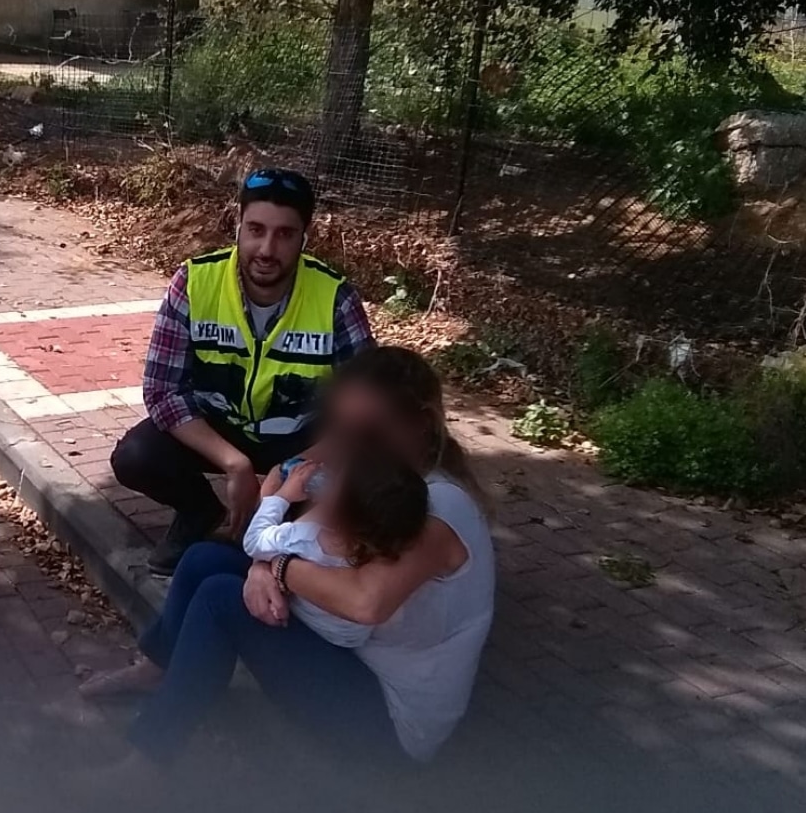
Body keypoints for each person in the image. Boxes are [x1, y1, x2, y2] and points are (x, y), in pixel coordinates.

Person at [79, 347, 496, 782]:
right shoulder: (372, 462)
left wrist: (275, 568)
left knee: (221, 599)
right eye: (342, 428)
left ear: (421, 424)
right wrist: (262, 565)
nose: (349, 447)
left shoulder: (438, 506)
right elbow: (285, 476)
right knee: (204, 558)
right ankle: (157, 670)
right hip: (347, 648)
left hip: (390, 721)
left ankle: (146, 763)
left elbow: (365, 601)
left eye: (368, 433)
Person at [111, 168, 375, 576]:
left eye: (285, 234)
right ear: (238, 224)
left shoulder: (336, 298)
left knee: (364, 480)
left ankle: (290, 529)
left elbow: (366, 409)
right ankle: (199, 511)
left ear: (304, 238)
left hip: (301, 439)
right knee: (136, 455)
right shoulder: (194, 281)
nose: (266, 249)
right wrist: (234, 463)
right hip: (220, 429)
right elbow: (163, 391)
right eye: (256, 229)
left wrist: (285, 477)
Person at [241, 448, 429, 649]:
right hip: (348, 640)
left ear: (333, 509)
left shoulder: (304, 539)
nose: (327, 472)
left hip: (302, 626)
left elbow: (253, 541)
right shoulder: (383, 550)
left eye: (336, 478)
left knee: (221, 587)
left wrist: (283, 496)